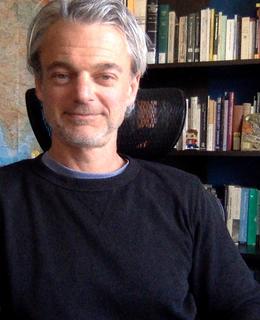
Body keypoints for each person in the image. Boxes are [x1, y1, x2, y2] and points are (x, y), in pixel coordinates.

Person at [0, 0, 260, 319]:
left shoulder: (186, 197)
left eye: (105, 76)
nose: (83, 94)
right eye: (62, 75)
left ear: (132, 87)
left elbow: (243, 305)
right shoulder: (4, 198)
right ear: (40, 84)